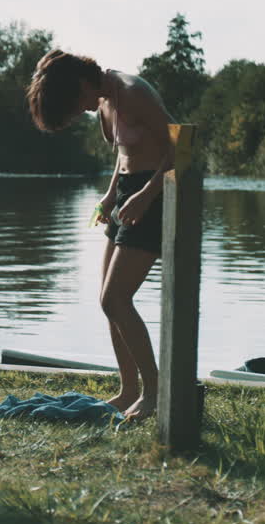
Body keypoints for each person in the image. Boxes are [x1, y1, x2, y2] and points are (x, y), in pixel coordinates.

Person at [25, 49, 173, 420]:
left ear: (81, 83)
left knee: (116, 299)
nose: (82, 113)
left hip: (152, 197)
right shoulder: (104, 100)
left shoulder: (133, 90)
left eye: (76, 106)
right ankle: (129, 390)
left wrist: (145, 195)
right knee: (108, 303)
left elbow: (179, 149)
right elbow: (125, 154)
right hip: (126, 194)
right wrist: (111, 194)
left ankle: (156, 394)